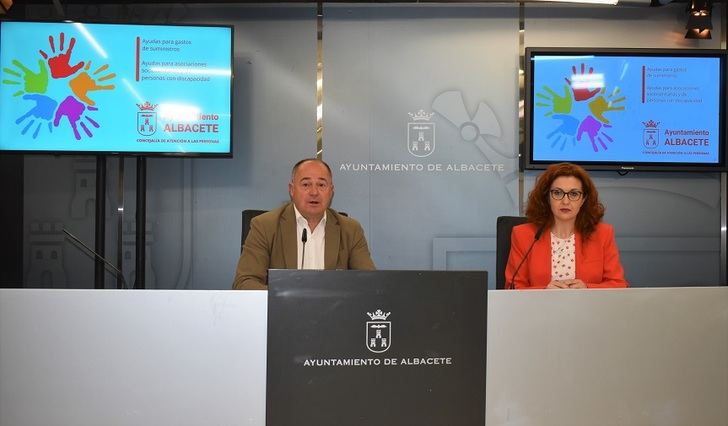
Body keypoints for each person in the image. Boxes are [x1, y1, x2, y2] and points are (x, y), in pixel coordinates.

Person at [233, 158, 376, 290]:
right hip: (284, 308)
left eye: (321, 185)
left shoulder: (350, 230)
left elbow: (370, 283)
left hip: (334, 308)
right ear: (292, 190)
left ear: (331, 191)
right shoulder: (265, 226)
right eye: (306, 184)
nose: (314, 192)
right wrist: (286, 298)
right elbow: (244, 282)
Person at [505, 162, 627, 289]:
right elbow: (512, 287)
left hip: (588, 302)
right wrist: (544, 291)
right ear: (547, 197)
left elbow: (618, 284)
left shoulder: (602, 234)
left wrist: (587, 289)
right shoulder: (523, 235)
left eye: (574, 194)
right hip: (540, 303)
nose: (565, 201)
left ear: (583, 199)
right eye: (557, 193)